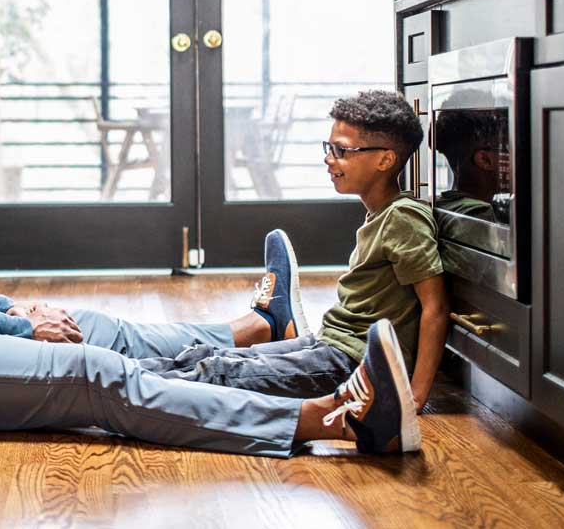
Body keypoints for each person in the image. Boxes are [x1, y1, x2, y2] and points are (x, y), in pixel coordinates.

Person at [0, 0, 422, 457]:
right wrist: (15, 323)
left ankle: (256, 329)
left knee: (91, 328)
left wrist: (11, 313)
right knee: (88, 373)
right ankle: (335, 421)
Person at [137, 90, 450, 410]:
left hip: (350, 364)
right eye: (329, 147)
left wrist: (415, 395)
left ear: (385, 159)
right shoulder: (382, 214)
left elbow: (435, 308)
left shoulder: (403, 218)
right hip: (330, 345)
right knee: (209, 356)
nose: (329, 158)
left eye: (342, 150)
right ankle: (107, 372)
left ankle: (113, 386)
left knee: (219, 373)